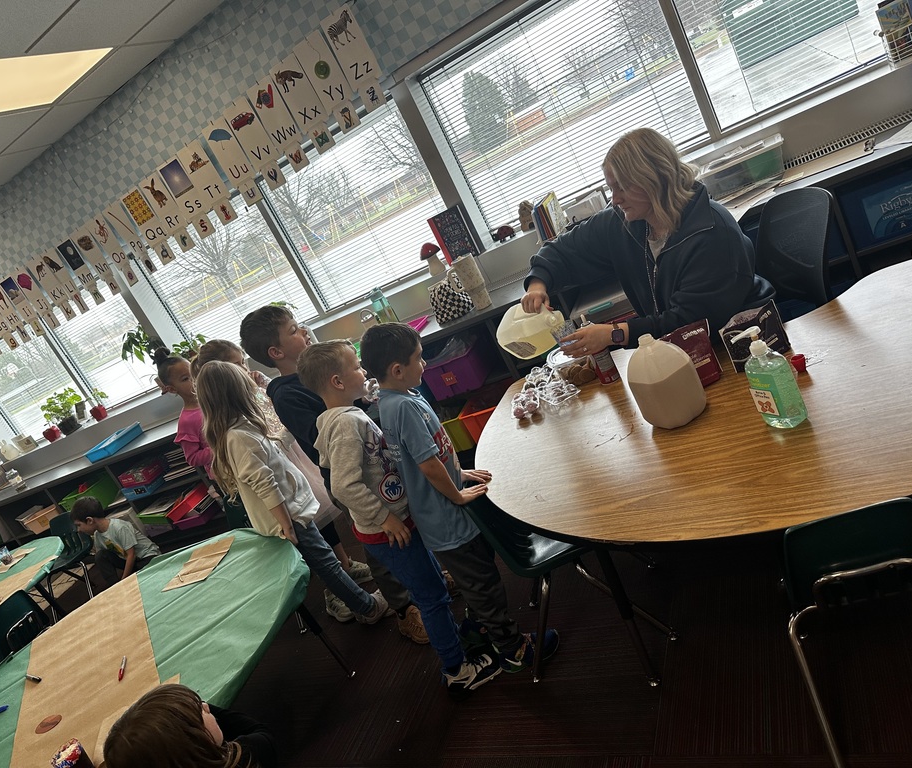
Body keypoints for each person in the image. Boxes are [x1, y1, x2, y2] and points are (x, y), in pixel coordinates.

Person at [301, 340, 500, 694]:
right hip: (388, 530)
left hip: (396, 522)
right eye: (357, 367)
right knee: (432, 598)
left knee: (434, 586)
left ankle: (459, 647)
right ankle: (457, 670)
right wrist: (384, 518)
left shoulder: (348, 415)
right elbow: (344, 486)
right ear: (337, 381)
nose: (364, 372)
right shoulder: (346, 425)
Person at [360, 323, 560, 673]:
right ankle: (512, 648)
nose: (424, 365)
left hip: (445, 509)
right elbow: (426, 464)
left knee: (478, 577)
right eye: (419, 359)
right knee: (484, 585)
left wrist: (460, 473)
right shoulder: (403, 407)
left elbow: (427, 455)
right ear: (397, 370)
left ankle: (480, 625)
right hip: (447, 518)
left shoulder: (398, 398)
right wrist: (457, 493)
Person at [240, 306, 428, 643]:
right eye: (295, 330)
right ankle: (404, 608)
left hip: (375, 465)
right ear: (276, 352)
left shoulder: (319, 370)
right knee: (378, 540)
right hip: (350, 473)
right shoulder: (287, 394)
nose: (305, 331)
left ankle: (424, 580)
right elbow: (326, 440)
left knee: (404, 524)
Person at [522, 127, 774, 354]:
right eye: (611, 189)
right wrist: (537, 284)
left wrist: (613, 334)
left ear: (652, 179)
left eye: (621, 187)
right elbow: (565, 248)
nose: (615, 199)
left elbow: (690, 323)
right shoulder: (625, 221)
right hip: (678, 347)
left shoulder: (711, 233)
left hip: (740, 343)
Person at [191, 339, 383, 626]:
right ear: (235, 395)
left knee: (326, 561)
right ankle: (367, 608)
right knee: (326, 565)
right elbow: (264, 482)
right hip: (289, 517)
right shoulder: (239, 436)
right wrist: (286, 522)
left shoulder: (243, 428)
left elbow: (278, 447)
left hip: (293, 511)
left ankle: (362, 603)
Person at [104, 683, 276, 768]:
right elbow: (260, 732)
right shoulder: (246, 756)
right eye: (199, 711)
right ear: (196, 745)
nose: (206, 706)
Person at [70, 496, 161, 586]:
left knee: (146, 578)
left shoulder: (119, 527)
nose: (79, 530)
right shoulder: (97, 535)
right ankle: (114, 586)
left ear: (89, 520)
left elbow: (131, 555)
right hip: (131, 561)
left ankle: (126, 582)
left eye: (79, 525)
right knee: (100, 556)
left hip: (147, 556)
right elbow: (102, 557)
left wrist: (124, 580)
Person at [155, 349, 212, 474]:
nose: (194, 379)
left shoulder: (213, 399)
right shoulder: (187, 421)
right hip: (225, 473)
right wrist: (218, 449)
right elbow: (192, 458)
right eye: (186, 379)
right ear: (172, 389)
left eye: (194, 373)